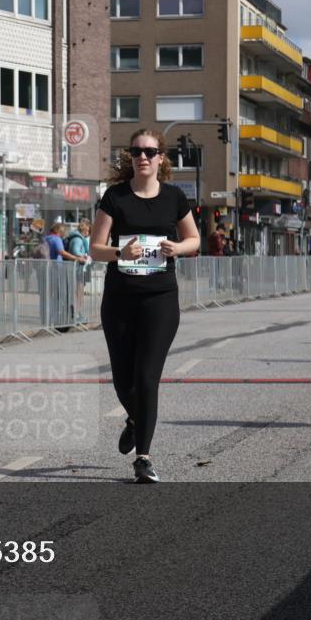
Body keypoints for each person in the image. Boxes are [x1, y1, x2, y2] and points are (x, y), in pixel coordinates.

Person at [90, 129, 201, 483]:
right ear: (130, 157)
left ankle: (143, 457)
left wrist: (177, 248)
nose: (143, 157)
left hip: (160, 298)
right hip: (120, 297)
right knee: (123, 379)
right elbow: (95, 248)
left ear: (161, 158)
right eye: (137, 151)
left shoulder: (173, 198)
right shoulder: (115, 197)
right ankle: (135, 419)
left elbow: (194, 239)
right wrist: (119, 253)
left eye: (150, 152)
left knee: (146, 377)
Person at [66, 218, 93, 322]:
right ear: (84, 230)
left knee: (79, 292)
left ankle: (77, 312)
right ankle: (76, 313)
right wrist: (85, 256)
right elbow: (75, 251)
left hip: (78, 269)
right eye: (88, 231)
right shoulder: (78, 239)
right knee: (79, 292)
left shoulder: (77, 238)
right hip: (78, 269)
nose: (88, 233)